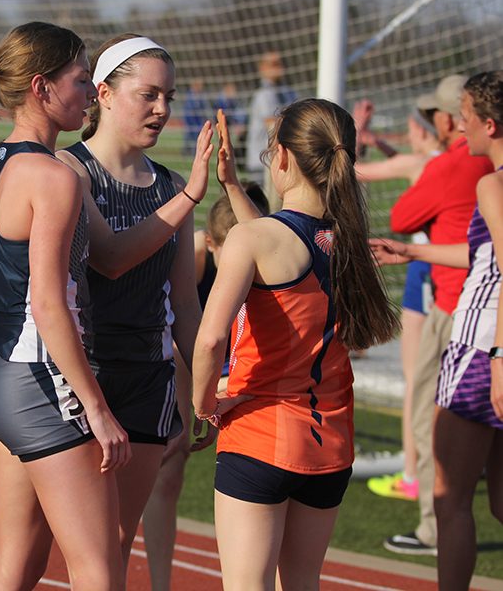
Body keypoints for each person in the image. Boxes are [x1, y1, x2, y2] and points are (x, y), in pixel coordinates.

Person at [58, 34, 248, 577]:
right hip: (79, 375)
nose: (163, 109)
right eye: (149, 94)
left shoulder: (167, 184)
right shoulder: (69, 172)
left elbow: (186, 305)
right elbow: (110, 260)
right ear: (105, 94)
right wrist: (189, 194)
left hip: (146, 378)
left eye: (169, 95)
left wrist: (206, 388)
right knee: (65, 546)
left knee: (116, 542)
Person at [192, 98, 398, 590]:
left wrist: (203, 405)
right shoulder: (350, 239)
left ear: (282, 158)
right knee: (302, 583)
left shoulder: (256, 240)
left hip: (260, 434)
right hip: (330, 445)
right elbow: (277, 241)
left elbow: (211, 339)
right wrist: (234, 188)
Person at [0, 22, 130, 591]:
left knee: (15, 563)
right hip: (39, 377)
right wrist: (97, 408)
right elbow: (49, 305)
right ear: (42, 86)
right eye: (82, 80)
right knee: (98, 569)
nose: (89, 94)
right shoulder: (54, 177)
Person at [371, 70, 503, 590]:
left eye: (466, 114)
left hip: (478, 351)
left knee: (450, 499)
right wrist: (412, 250)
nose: (458, 125)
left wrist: (498, 357)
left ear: (489, 123)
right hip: (488, 351)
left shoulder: (491, 183)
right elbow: (485, 254)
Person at [142, 171, 267, 591]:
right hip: (183, 362)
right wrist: (195, 400)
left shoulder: (270, 245)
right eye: (229, 255)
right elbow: (174, 334)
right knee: (167, 469)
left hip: (238, 370)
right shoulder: (193, 254)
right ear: (212, 244)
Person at [353, 98, 444, 502]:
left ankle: (412, 472)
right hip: (449, 268)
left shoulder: (421, 164)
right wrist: (386, 146)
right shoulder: (454, 160)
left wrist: (352, 136)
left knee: (415, 379)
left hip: (426, 272)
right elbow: (413, 164)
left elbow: (356, 172)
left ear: (422, 131)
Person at [245, 50, 296, 207]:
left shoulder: (287, 92)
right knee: (262, 209)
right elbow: (273, 123)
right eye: (273, 64)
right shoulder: (263, 95)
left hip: (279, 161)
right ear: (263, 68)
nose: (279, 68)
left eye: (281, 63)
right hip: (262, 162)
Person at [182, 78, 207, 155]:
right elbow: (188, 109)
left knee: (196, 138)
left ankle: (194, 153)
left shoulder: (200, 96)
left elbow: (202, 108)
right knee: (189, 137)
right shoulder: (190, 95)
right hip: (190, 120)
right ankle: (186, 152)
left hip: (198, 122)